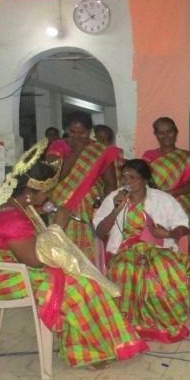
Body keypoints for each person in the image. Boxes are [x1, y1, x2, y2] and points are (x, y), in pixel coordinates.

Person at [0, 140, 148, 369]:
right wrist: (58, 226)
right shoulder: (11, 218)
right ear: (28, 194)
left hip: (11, 267)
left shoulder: (17, 205)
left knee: (81, 278)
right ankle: (88, 352)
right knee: (77, 287)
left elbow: (34, 250)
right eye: (46, 193)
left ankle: (97, 346)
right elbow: (34, 260)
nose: (49, 197)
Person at [93, 159, 190, 343]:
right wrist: (116, 210)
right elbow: (100, 232)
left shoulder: (162, 199)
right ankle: (126, 327)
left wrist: (169, 233)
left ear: (145, 180)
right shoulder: (114, 198)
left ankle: (165, 323)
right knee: (125, 269)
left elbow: (183, 226)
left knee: (165, 268)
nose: (127, 182)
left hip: (157, 247)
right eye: (124, 177)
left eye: (132, 178)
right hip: (125, 248)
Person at [46, 111, 119, 266]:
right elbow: (55, 176)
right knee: (61, 243)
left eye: (82, 133)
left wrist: (105, 208)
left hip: (89, 207)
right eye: (73, 132)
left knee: (89, 245)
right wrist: (76, 153)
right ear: (67, 130)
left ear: (89, 131)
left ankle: (88, 276)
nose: (77, 137)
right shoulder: (59, 146)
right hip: (61, 205)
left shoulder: (99, 150)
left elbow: (110, 183)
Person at [141, 117, 190, 262]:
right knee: (153, 242)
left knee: (181, 242)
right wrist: (158, 197)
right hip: (154, 205)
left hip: (180, 204)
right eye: (161, 132)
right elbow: (143, 181)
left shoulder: (187, 158)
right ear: (156, 134)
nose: (166, 136)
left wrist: (169, 194)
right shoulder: (148, 156)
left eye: (169, 131)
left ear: (176, 132)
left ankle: (181, 270)